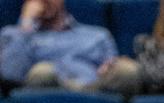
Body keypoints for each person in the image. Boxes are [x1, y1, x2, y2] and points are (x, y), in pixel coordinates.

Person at [0, 0, 138, 91]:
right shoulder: (15, 35)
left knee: (127, 70)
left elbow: (112, 66)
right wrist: (26, 24)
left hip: (94, 88)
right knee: (43, 71)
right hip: (48, 89)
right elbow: (10, 76)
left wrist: (109, 67)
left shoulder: (97, 35)